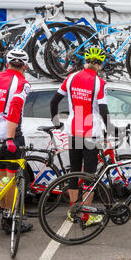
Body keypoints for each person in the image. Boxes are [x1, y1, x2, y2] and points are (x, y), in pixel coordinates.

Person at [50, 45, 120, 227]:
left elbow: (54, 100)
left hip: (73, 131)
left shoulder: (71, 78)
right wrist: (111, 128)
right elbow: (103, 110)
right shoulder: (99, 83)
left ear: (85, 61)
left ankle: (74, 212)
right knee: (89, 175)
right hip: (91, 133)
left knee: (74, 172)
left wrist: (56, 122)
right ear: (101, 63)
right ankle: (86, 216)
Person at [0, 49, 33, 234]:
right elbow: (14, 112)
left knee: (2, 177)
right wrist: (10, 137)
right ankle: (10, 219)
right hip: (9, 135)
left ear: (6, 63)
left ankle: (4, 213)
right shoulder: (22, 83)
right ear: (25, 66)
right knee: (11, 180)